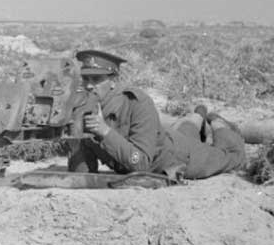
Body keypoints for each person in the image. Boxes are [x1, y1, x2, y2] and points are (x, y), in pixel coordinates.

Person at [67, 49, 246, 179]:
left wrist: (104, 132)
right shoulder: (83, 104)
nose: (89, 85)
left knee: (231, 157)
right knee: (186, 129)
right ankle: (198, 114)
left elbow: (142, 163)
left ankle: (216, 121)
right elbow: (83, 172)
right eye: (85, 78)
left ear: (114, 81)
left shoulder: (136, 103)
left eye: (96, 79)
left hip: (174, 158)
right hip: (164, 137)